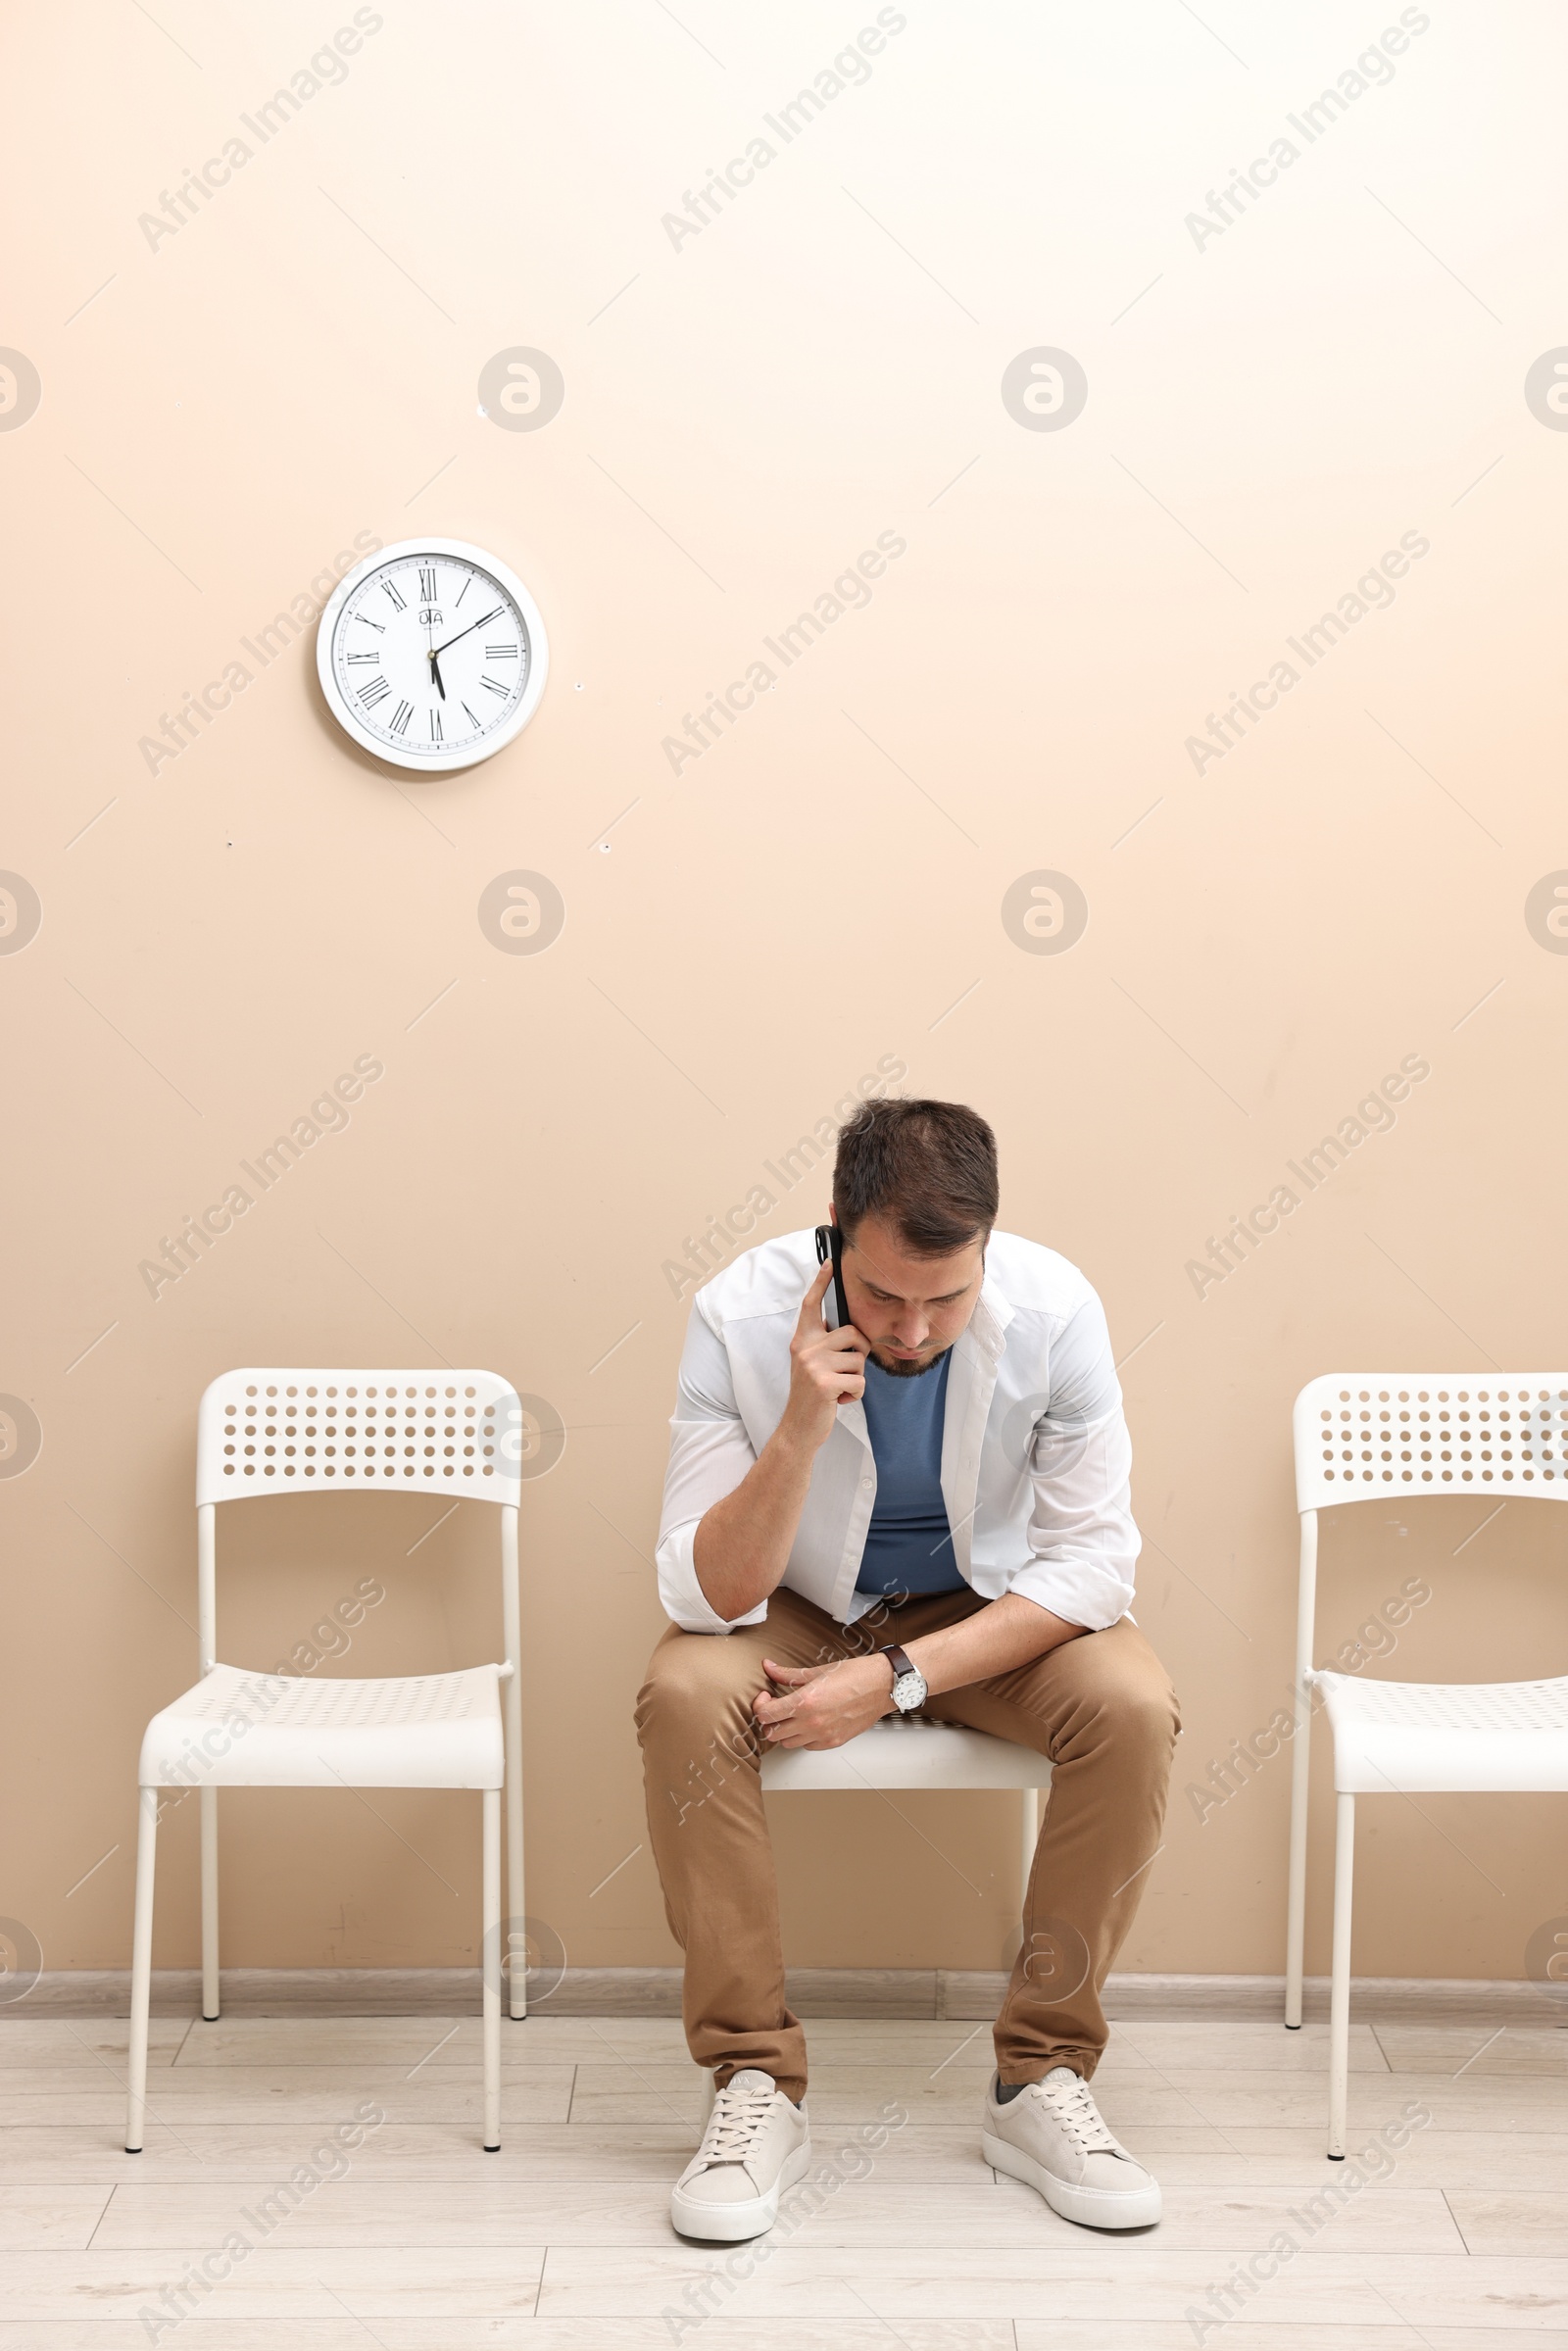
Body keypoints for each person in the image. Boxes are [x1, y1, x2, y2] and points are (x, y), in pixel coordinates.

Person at [635, 1098, 1179, 2240]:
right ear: (833, 1229)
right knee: (685, 1693)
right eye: (884, 1294)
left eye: (948, 1297)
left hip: (978, 1613)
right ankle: (750, 2079)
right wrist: (795, 1424)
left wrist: (891, 1678)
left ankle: (1038, 2077)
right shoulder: (733, 1313)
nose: (914, 1329)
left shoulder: (1054, 1307)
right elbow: (702, 1594)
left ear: (987, 1249)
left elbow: (1094, 1566)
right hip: (795, 1601)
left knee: (1131, 1705)